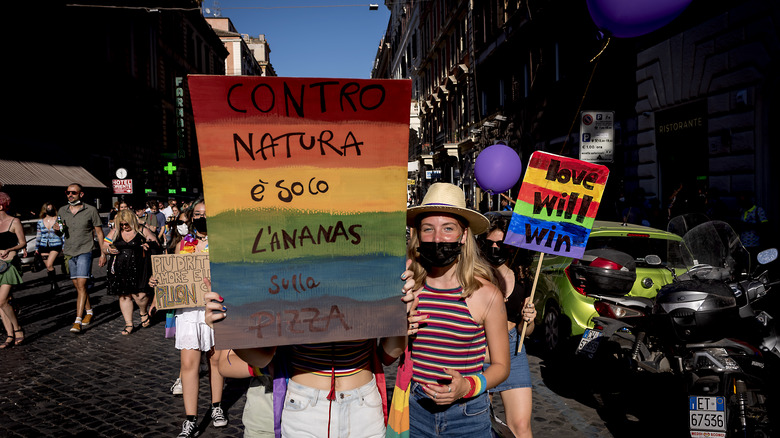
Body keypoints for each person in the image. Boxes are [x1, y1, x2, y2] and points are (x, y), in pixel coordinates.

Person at [404, 182, 510, 437]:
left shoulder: (487, 294)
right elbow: (386, 355)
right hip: (415, 411)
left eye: (448, 228)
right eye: (428, 229)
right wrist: (399, 328)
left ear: (463, 236)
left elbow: (501, 366)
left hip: (468, 417)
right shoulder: (407, 288)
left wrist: (468, 386)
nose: (437, 237)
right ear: (418, 235)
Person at [150, 198, 227, 438]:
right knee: (188, 365)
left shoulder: (224, 244)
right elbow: (173, 274)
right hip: (188, 310)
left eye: (205, 213)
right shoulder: (184, 243)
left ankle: (216, 407)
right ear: (191, 217)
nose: (200, 217)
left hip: (213, 307)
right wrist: (158, 285)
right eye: (197, 214)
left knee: (215, 361)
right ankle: (190, 419)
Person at [478, 212, 536, 438]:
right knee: (482, 424)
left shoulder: (523, 278)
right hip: (479, 351)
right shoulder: (475, 276)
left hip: (514, 349)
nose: (494, 248)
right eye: (489, 243)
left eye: (500, 244)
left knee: (520, 426)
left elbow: (525, 332)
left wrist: (528, 319)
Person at [55, 183, 107, 334]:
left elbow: (99, 233)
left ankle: (77, 320)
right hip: (69, 251)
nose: (70, 195)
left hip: (85, 250)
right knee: (78, 286)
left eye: (73, 193)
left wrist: (103, 253)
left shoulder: (90, 210)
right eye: (67, 192)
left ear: (81, 194)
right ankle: (89, 311)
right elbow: (61, 230)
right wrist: (57, 230)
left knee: (82, 284)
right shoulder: (62, 210)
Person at [103, 209, 159, 335]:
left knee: (141, 295)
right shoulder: (116, 231)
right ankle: (129, 323)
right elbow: (104, 246)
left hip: (140, 267)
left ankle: (143, 311)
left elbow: (156, 245)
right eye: (121, 224)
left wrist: (147, 245)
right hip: (120, 268)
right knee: (124, 295)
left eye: (126, 224)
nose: (124, 227)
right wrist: (108, 250)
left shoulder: (142, 230)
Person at [0, 192, 26, 348]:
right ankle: (9, 335)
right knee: (1, 304)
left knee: (2, 300)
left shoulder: (14, 221)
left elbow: (22, 242)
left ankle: (17, 329)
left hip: (10, 265)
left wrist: (10, 248)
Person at [35, 202, 66, 292]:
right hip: (43, 245)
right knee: (48, 267)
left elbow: (62, 233)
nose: (50, 210)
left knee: (49, 264)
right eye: (48, 208)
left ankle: (53, 285)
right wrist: (36, 248)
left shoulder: (58, 219)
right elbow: (38, 235)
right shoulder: (40, 222)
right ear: (44, 210)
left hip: (55, 244)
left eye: (51, 208)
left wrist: (64, 245)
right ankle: (54, 283)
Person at [737, 191, 769, 264]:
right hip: (743, 245)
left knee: (753, 264)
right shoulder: (742, 210)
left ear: (749, 200)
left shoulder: (758, 210)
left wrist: (748, 225)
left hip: (755, 245)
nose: (742, 202)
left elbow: (765, 226)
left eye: (744, 199)